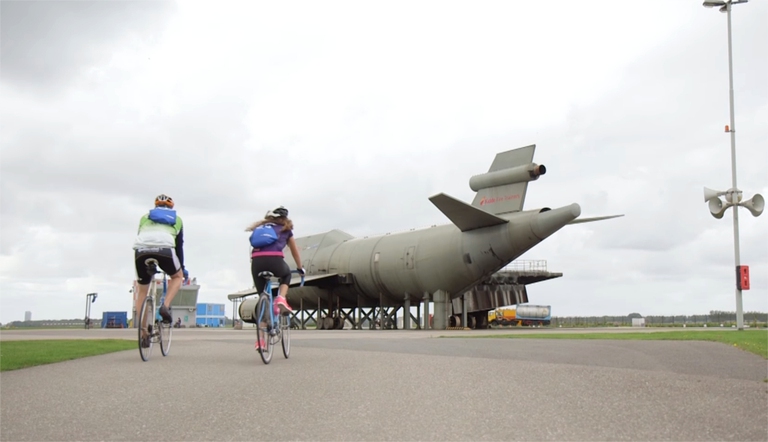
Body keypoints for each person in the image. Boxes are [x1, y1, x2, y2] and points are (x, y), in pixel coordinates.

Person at [133, 194, 188, 348]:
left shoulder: (144, 217)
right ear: (171, 207)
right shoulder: (177, 219)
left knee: (142, 291)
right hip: (165, 250)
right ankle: (165, 305)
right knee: (177, 277)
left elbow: (141, 236)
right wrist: (181, 268)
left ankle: (144, 333)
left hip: (141, 251)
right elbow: (179, 247)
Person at [246, 206, 304, 350]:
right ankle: (281, 299)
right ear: (285, 219)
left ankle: (261, 342)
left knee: (263, 301)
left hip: (257, 262)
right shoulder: (286, 229)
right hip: (275, 260)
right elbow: (294, 251)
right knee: (286, 275)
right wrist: (300, 268)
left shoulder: (259, 228)